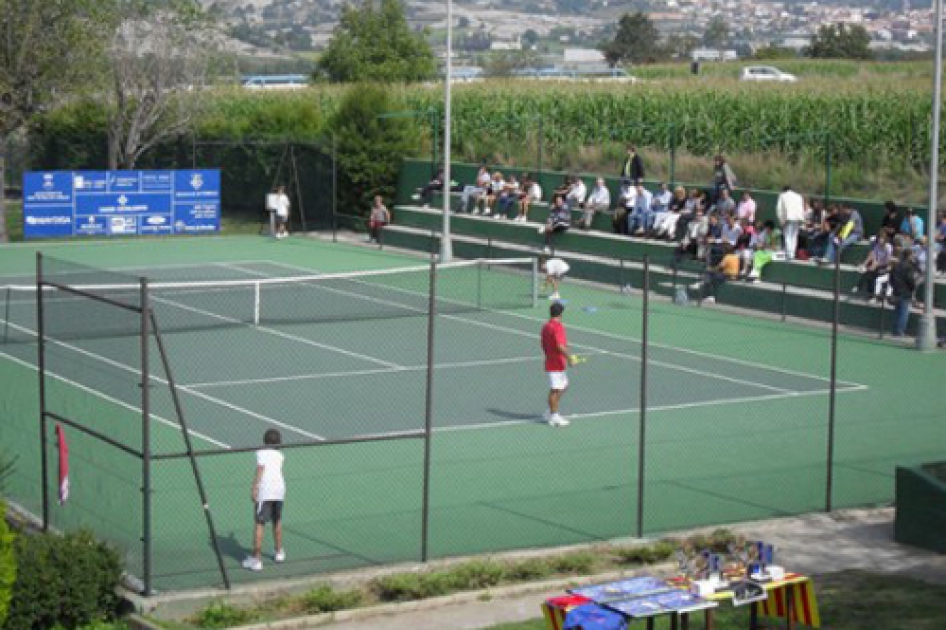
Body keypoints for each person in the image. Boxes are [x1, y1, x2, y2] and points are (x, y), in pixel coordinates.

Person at [243, 429, 286, 572]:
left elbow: (260, 469)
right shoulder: (280, 455)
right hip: (279, 490)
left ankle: (257, 560)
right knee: (277, 521)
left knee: (259, 524)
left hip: (266, 491)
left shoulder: (260, 453)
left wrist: (255, 487)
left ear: (264, 441)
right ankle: (279, 552)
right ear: (278, 442)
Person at [541, 301, 574, 427]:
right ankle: (554, 416)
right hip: (555, 363)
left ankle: (549, 412)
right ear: (561, 314)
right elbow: (560, 346)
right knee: (555, 390)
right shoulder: (557, 327)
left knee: (564, 385)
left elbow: (544, 344)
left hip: (553, 361)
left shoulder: (546, 326)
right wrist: (570, 358)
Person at [890, 249, 919, 337]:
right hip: (905, 292)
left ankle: (895, 330)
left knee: (897, 312)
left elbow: (891, 278)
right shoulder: (909, 267)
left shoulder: (896, 265)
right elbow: (910, 280)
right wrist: (913, 287)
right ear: (909, 256)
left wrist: (894, 287)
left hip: (896, 291)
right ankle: (900, 331)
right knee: (904, 313)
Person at [776, 185, 805, 260]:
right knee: (794, 236)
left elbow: (779, 209)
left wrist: (782, 221)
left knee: (787, 236)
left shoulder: (783, 196)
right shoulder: (798, 196)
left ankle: (789, 254)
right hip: (797, 218)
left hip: (788, 218)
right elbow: (801, 208)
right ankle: (792, 253)